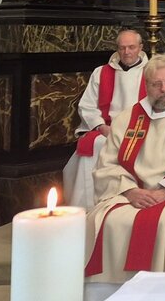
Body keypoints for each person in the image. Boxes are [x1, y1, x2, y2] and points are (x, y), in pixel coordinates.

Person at [84, 54, 165, 282]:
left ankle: (160, 288)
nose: (164, 89)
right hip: (130, 191)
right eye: (156, 84)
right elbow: (107, 164)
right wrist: (130, 191)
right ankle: (109, 291)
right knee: (104, 220)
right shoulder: (127, 119)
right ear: (146, 86)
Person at [64, 30, 150, 208]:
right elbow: (87, 105)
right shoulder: (101, 72)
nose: (126, 52)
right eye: (122, 48)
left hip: (142, 129)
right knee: (94, 145)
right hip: (107, 129)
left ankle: (135, 200)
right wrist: (101, 126)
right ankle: (89, 207)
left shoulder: (152, 73)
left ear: (140, 48)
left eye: (131, 47)